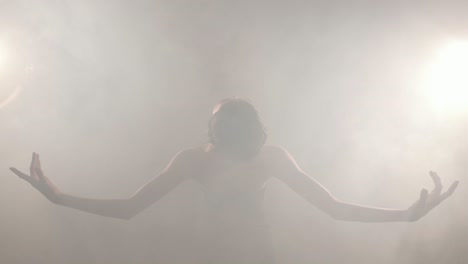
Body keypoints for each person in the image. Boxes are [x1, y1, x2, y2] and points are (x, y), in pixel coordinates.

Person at [9, 97, 459, 263]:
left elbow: (334, 208)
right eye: (216, 123)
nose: (219, 130)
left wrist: (405, 214)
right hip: (212, 254)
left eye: (229, 123)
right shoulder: (192, 160)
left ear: (249, 129)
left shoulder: (271, 159)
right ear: (212, 130)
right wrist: (59, 197)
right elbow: (130, 208)